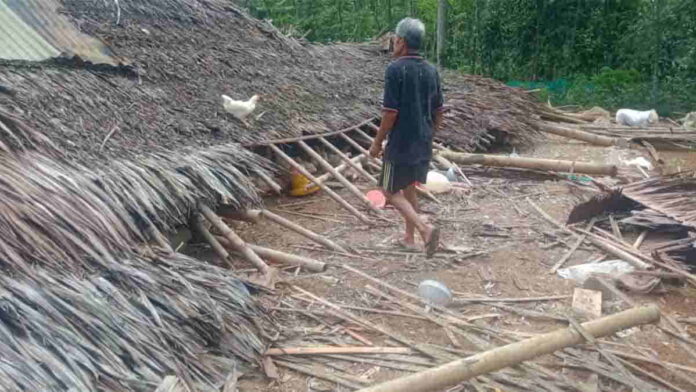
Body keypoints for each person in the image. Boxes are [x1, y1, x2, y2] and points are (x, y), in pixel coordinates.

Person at [369, 17, 444, 257]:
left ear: (401, 41)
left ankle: (424, 228)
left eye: (395, 40)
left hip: (401, 143)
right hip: (422, 141)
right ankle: (409, 238)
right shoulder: (431, 71)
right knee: (409, 188)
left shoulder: (395, 69)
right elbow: (439, 111)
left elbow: (390, 113)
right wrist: (428, 134)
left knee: (388, 191)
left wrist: (377, 142)